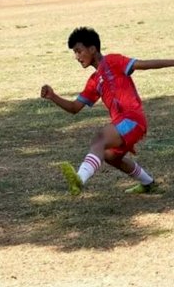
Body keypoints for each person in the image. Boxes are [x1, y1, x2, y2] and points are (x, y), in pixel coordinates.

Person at [40, 27, 174, 196]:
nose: (77, 57)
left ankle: (79, 179)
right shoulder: (94, 80)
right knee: (110, 156)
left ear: (92, 49)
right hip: (123, 123)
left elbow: (143, 64)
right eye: (75, 53)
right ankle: (149, 183)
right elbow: (74, 108)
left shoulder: (112, 61)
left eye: (79, 51)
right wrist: (53, 96)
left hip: (132, 119)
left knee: (100, 138)